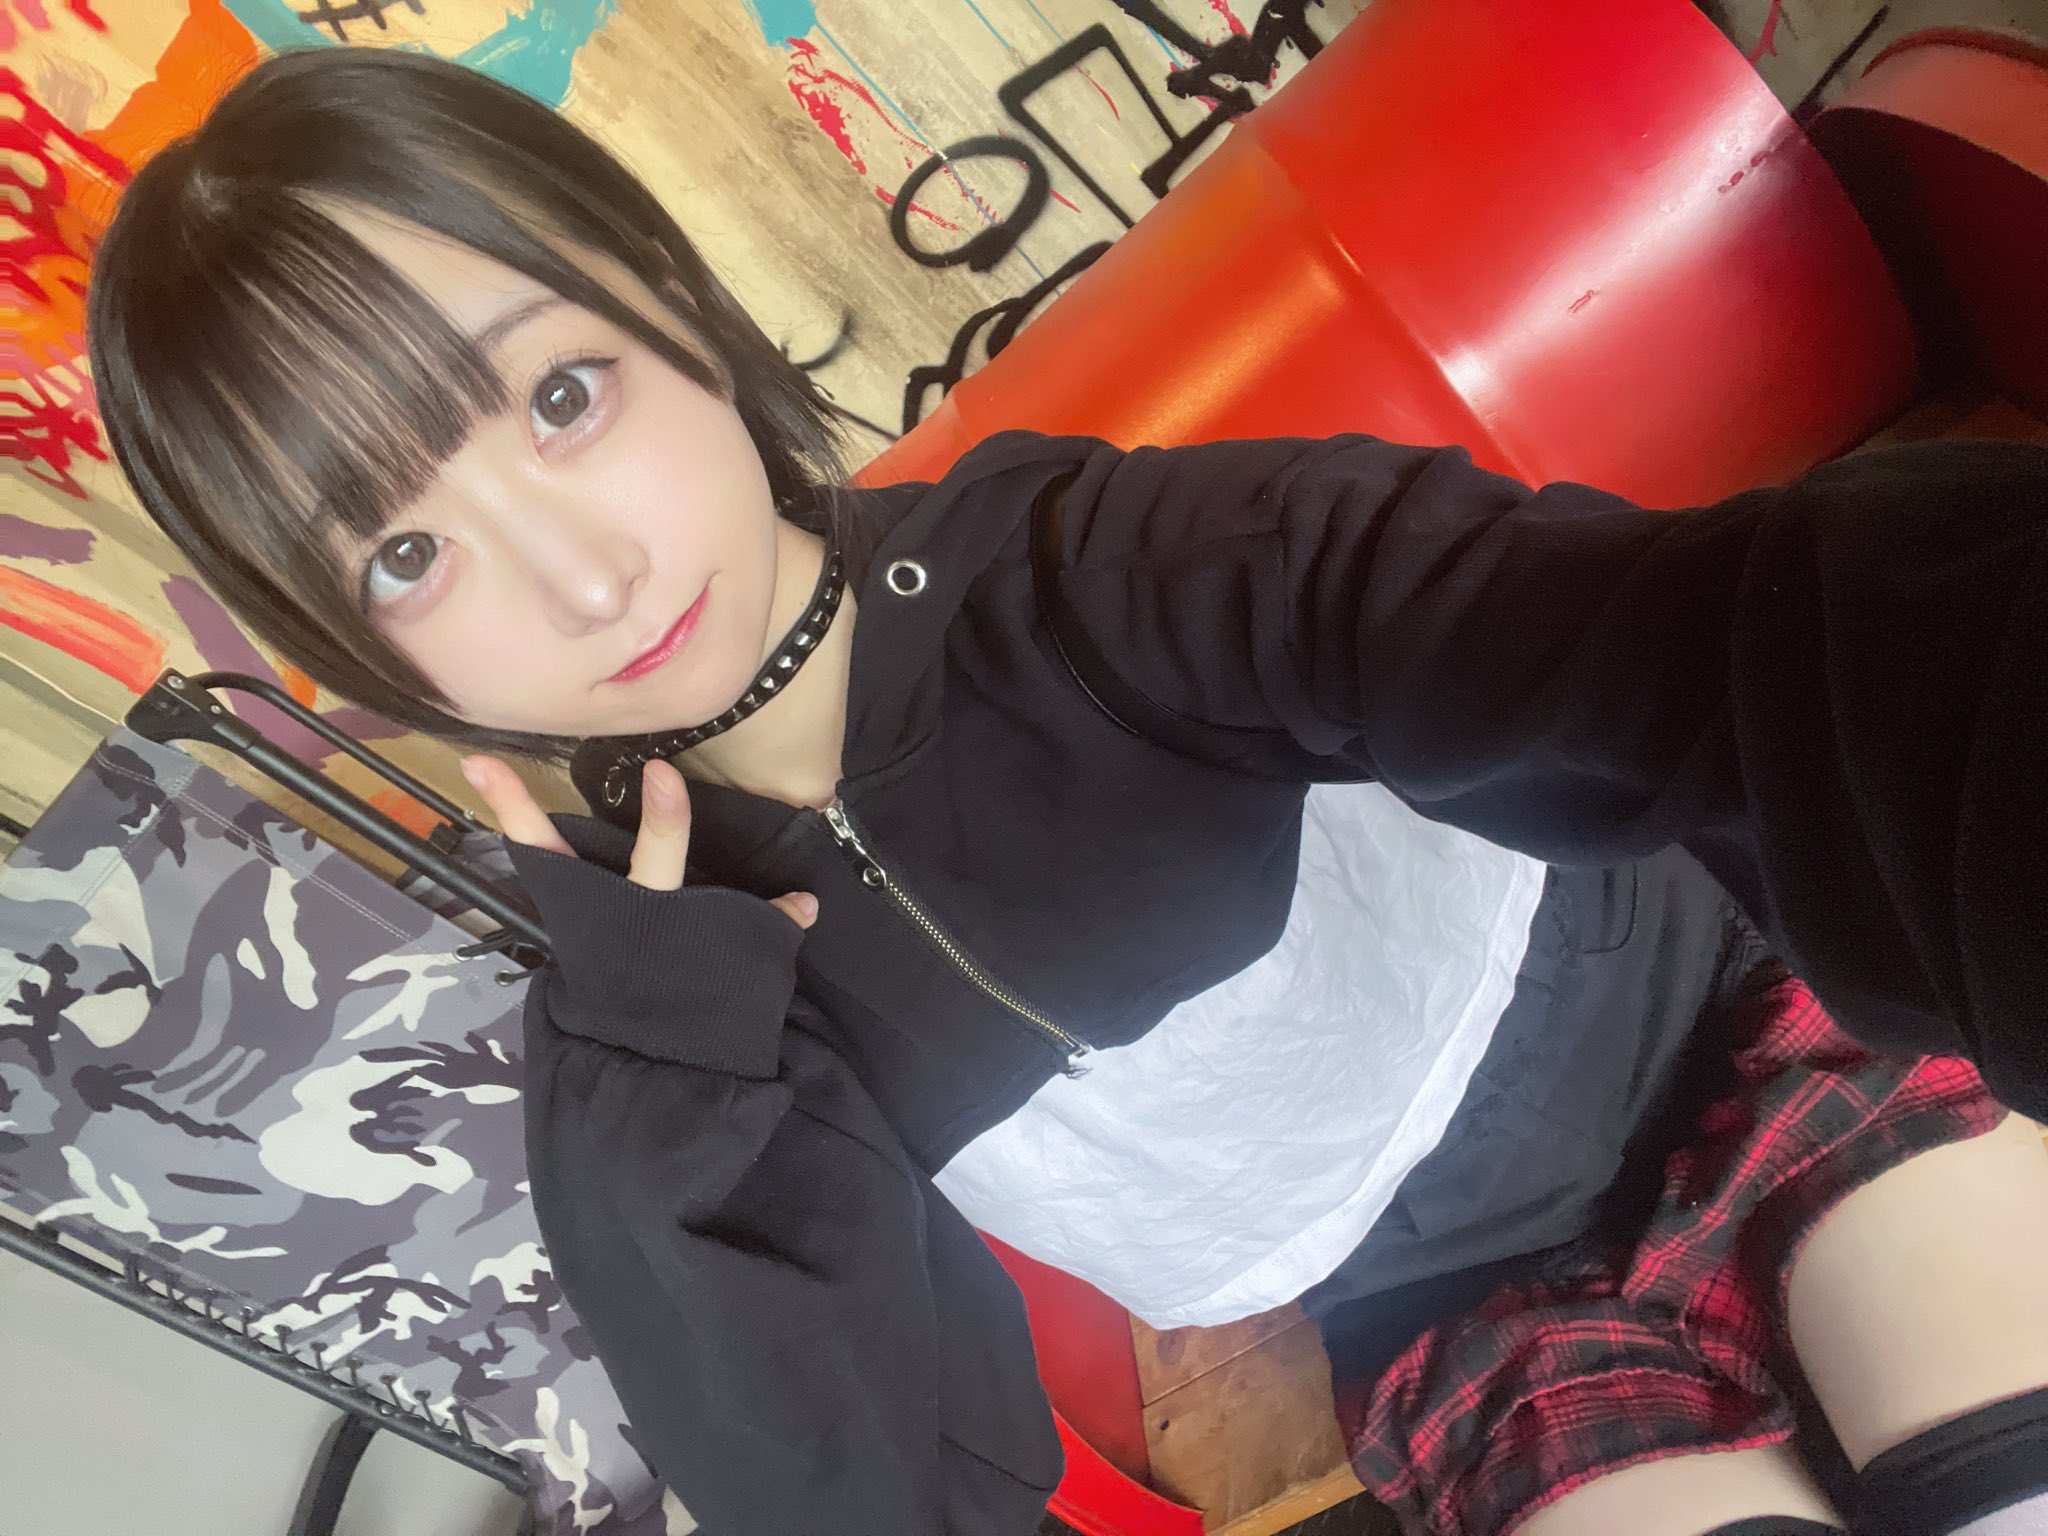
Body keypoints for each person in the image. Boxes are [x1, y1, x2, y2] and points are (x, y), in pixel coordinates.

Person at [83, 44, 2048, 1536]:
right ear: (357, 652)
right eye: (406, 554)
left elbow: (1698, 645)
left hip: (1731, 1027)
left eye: (560, 395)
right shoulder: (673, 984)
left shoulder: (1089, 576)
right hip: (1447, 1316)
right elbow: (880, 1492)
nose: (582, 580)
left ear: (659, 295)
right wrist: (674, 1118)